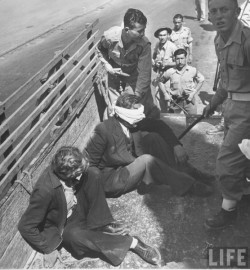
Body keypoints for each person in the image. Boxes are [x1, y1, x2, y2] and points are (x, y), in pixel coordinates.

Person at [18, 146, 161, 267]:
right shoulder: (44, 190)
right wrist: (47, 248)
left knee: (92, 173)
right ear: (66, 174)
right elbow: (25, 226)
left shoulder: (64, 169)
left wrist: (80, 178)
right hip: (65, 223)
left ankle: (101, 222)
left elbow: (83, 175)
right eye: (77, 175)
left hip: (75, 205)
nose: (80, 177)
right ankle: (133, 243)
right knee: (75, 236)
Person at [86, 93, 213, 198]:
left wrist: (176, 146)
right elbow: (89, 164)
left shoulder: (133, 121)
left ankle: (188, 172)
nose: (140, 117)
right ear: (123, 114)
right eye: (135, 113)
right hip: (113, 179)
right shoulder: (103, 130)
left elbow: (160, 126)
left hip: (129, 164)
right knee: (146, 160)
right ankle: (189, 185)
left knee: (154, 138)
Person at [203, 0, 250, 230]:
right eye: (214, 11)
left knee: (226, 163)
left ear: (237, 11)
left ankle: (229, 210)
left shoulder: (248, 40)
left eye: (225, 10)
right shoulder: (218, 40)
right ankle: (244, 191)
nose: (219, 16)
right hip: (231, 109)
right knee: (243, 157)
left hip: (248, 113)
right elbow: (226, 80)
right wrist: (213, 103)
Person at [97, 8, 159, 119]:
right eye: (139, 31)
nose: (143, 34)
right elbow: (100, 49)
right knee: (115, 108)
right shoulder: (110, 37)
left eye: (144, 30)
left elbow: (144, 74)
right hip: (114, 73)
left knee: (139, 108)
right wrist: (106, 64)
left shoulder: (144, 45)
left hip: (133, 75)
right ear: (126, 29)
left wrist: (136, 97)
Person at [159, 48, 204, 115]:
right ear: (174, 59)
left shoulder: (192, 70)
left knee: (192, 121)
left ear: (186, 58)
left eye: (182, 58)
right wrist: (165, 94)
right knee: (174, 122)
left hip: (189, 101)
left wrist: (193, 93)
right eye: (178, 59)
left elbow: (201, 80)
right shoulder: (170, 71)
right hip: (175, 102)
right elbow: (160, 82)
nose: (180, 61)